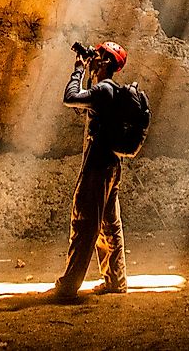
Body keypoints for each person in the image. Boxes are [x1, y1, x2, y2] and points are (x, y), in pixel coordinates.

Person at [52, 40, 130, 299]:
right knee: (109, 225)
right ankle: (115, 280)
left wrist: (78, 70)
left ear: (107, 62)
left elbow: (70, 97)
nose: (92, 59)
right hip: (111, 165)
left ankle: (68, 286)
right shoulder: (109, 91)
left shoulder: (104, 90)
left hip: (97, 167)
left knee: (85, 223)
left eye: (97, 56)